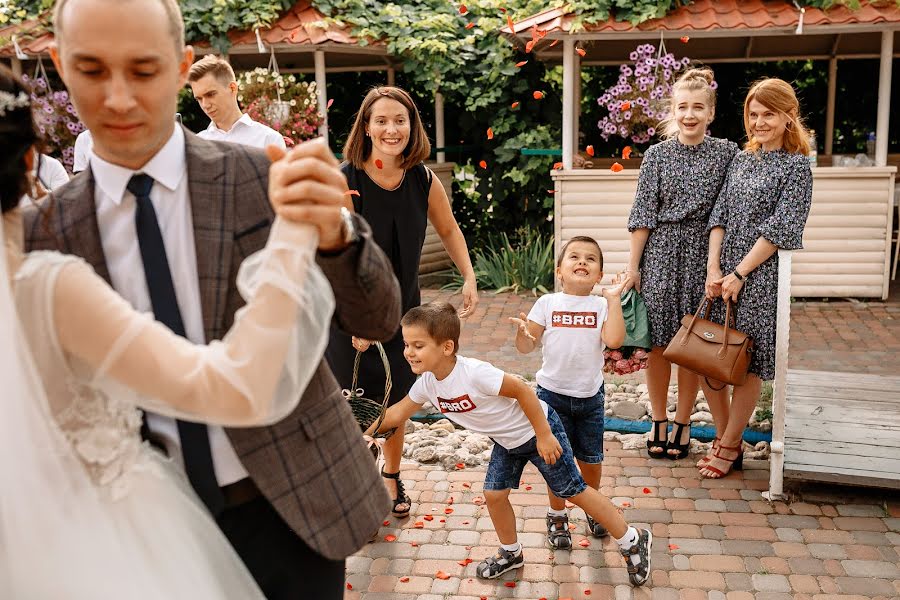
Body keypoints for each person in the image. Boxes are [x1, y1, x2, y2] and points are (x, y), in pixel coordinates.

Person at [26, 1, 402, 599]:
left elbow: (379, 318)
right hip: (142, 531)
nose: (119, 98)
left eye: (144, 71)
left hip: (292, 511)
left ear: (181, 69)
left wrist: (336, 237)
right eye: (93, 70)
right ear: (59, 66)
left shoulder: (261, 175)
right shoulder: (40, 235)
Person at [1, 63, 335, 598]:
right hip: (117, 545)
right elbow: (234, 386)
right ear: (28, 160)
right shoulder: (46, 285)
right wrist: (293, 237)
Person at [366, 302, 653, 586]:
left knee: (573, 491)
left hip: (537, 429)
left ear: (446, 347)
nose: (408, 352)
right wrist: (360, 432)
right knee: (494, 494)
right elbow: (394, 414)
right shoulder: (427, 384)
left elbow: (522, 390)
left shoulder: (474, 373)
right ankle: (511, 553)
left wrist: (544, 434)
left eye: (418, 345)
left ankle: (632, 539)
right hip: (507, 441)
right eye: (406, 345)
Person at [330, 85, 479, 518]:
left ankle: (391, 479)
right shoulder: (345, 179)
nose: (391, 129)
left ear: (412, 127)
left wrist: (468, 275)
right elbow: (335, 252)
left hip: (405, 313)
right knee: (350, 399)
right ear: (367, 127)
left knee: (397, 397)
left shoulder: (422, 178)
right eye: (382, 120)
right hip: (348, 310)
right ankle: (354, 481)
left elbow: (449, 229)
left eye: (400, 120)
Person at [623, 68, 738, 461]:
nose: (690, 114)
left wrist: (715, 267)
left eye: (698, 107)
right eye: (682, 107)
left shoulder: (727, 153)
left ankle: (684, 422)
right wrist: (633, 267)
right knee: (658, 345)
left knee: (689, 345)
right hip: (660, 254)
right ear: (673, 111)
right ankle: (657, 419)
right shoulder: (656, 155)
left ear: (710, 112)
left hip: (704, 254)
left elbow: (724, 213)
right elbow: (643, 214)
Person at [701, 77, 813, 478]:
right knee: (706, 357)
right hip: (723, 273)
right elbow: (720, 216)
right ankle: (723, 436)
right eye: (754, 114)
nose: (760, 122)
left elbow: (783, 227)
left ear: (788, 117)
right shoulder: (741, 159)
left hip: (760, 278)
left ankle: (730, 446)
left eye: (769, 114)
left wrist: (739, 273)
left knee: (744, 362)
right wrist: (715, 269)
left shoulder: (797, 167)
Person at [509, 236, 626, 548]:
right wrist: (522, 335)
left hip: (590, 398)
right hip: (551, 396)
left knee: (591, 460)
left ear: (600, 275)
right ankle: (557, 514)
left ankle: (593, 507)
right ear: (559, 270)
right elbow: (526, 347)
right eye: (574, 257)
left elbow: (614, 340)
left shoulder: (601, 305)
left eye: (590, 258)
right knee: (556, 460)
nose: (582, 262)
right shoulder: (548, 303)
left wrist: (614, 299)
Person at [189, 54, 286, 150]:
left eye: (210, 94)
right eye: (199, 99)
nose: (205, 105)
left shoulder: (269, 139)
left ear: (232, 88)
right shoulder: (195, 146)